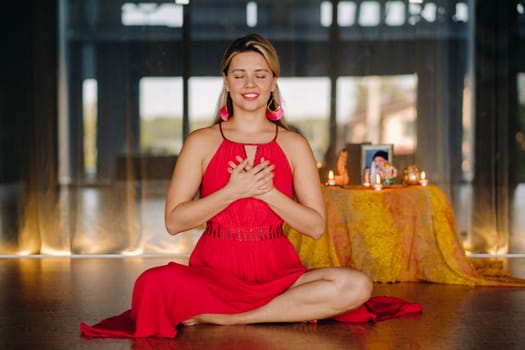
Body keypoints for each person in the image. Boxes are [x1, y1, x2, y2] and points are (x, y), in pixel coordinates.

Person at [80, 34, 419, 339]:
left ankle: (231, 318)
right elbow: (174, 221)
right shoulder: (201, 141)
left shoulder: (294, 144)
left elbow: (314, 226)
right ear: (226, 82)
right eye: (239, 75)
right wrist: (233, 190)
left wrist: (268, 192)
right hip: (213, 273)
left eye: (260, 74)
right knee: (150, 284)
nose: (249, 83)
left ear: (273, 82)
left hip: (279, 273)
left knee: (356, 285)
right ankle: (271, 313)